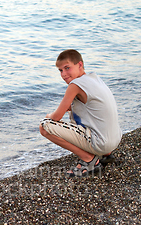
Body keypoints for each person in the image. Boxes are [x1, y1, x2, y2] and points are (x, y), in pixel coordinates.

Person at [39, 49, 121, 177]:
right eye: (60, 70)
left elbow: (56, 117)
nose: (63, 74)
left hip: (101, 143)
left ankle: (89, 160)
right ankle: (106, 155)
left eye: (67, 68)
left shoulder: (75, 85)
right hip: (114, 140)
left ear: (80, 65)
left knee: (44, 126)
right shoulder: (94, 78)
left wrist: (48, 116)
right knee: (74, 108)